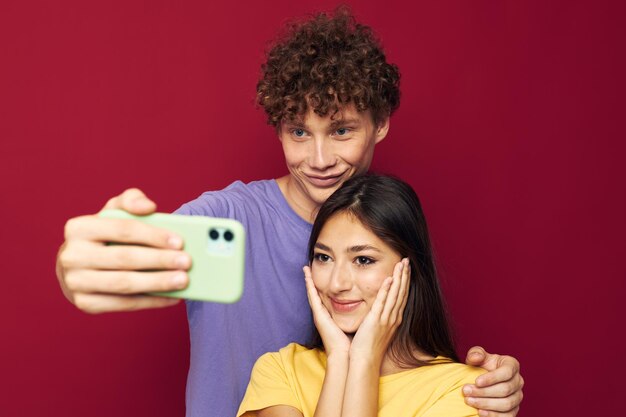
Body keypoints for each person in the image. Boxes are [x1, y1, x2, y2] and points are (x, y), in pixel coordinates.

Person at [56, 8, 523, 417]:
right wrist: (80, 260)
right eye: (298, 132)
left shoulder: (389, 227)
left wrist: (488, 384)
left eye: (340, 130)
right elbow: (130, 251)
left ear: (380, 125)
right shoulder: (231, 218)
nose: (318, 159)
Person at [238, 174, 487, 417]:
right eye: (323, 257)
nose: (336, 284)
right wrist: (338, 360)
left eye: (363, 260)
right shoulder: (281, 369)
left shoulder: (465, 390)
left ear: (409, 270)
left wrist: (364, 360)